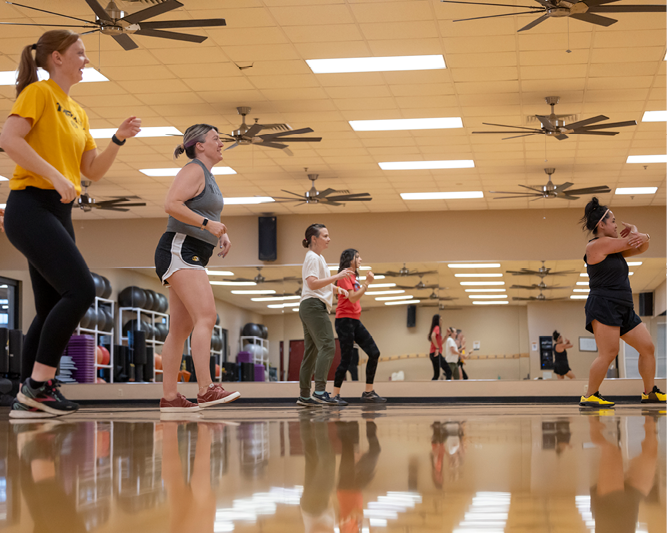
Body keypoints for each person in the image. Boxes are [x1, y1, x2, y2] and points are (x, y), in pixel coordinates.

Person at [0, 30, 141, 418]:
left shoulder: (78, 110)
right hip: (30, 206)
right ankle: (39, 386)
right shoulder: (38, 93)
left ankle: (27, 395)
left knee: (49, 308)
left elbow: (91, 169)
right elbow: (9, 139)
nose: (86, 60)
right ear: (56, 58)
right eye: (80, 53)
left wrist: (118, 139)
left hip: (58, 212)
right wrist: (55, 177)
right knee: (80, 290)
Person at [155, 124, 240, 412]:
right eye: (216, 139)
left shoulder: (208, 175)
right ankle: (206, 389)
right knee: (207, 316)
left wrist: (220, 232)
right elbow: (171, 204)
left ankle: (169, 397)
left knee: (179, 329)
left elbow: (206, 212)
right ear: (199, 145)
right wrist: (207, 225)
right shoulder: (193, 169)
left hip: (191, 251)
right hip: (181, 249)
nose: (221, 143)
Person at [578, 197, 664, 407]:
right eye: (613, 221)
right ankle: (590, 395)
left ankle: (649, 392)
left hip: (624, 306)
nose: (616, 225)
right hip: (604, 305)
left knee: (647, 348)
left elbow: (641, 248)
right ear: (602, 224)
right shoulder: (598, 245)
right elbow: (636, 241)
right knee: (608, 353)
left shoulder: (613, 249)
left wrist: (641, 237)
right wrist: (640, 234)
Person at [297, 224, 353, 407]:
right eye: (325, 236)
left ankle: (305, 396)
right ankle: (319, 392)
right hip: (314, 306)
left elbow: (319, 284)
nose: (329, 239)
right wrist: (338, 277)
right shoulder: (313, 257)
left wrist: (337, 290)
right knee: (328, 346)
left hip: (309, 305)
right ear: (314, 239)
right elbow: (312, 284)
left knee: (311, 352)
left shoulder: (317, 258)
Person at [333, 249, 386, 404]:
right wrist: (367, 283)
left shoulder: (354, 276)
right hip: (344, 321)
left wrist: (364, 283)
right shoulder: (345, 275)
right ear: (350, 259)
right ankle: (335, 395)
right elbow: (352, 298)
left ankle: (368, 392)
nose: (361, 259)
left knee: (374, 353)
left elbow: (354, 297)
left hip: (355, 321)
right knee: (346, 359)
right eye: (358, 257)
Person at [428, 314, 452, 380]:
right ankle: (447, 388)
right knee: (448, 371)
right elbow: (433, 336)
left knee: (436, 375)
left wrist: (447, 335)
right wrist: (437, 348)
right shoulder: (437, 328)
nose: (442, 321)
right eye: (440, 320)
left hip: (432, 354)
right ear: (437, 321)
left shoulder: (437, 329)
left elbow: (440, 343)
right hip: (436, 354)